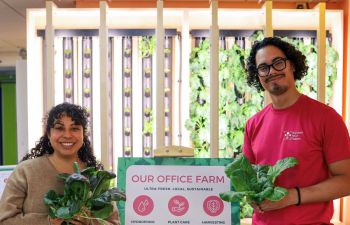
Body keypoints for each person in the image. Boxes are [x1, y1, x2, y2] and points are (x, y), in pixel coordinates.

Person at [243, 37, 350, 225]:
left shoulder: (325, 117)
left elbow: (347, 180)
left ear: (291, 65)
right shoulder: (253, 124)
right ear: (257, 76)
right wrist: (251, 196)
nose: (272, 72)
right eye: (263, 67)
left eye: (278, 63)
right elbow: (249, 181)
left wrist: (292, 196)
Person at [0, 102, 121, 225]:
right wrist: (48, 222)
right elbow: (5, 220)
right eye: (59, 128)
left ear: (83, 134)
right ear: (48, 134)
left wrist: (90, 221)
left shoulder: (97, 177)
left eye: (74, 129)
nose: (67, 135)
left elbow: (114, 222)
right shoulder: (26, 171)